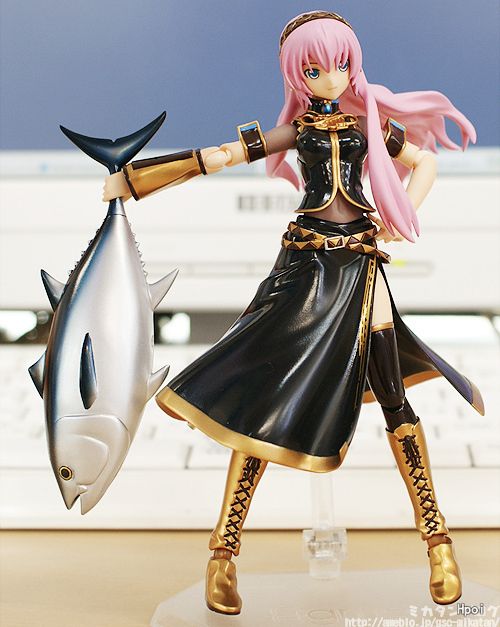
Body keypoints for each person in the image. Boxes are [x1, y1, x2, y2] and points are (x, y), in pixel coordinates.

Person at [103, 11, 483, 614]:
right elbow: (222, 155)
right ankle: (223, 554)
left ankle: (439, 545)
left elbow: (425, 163)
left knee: (394, 399)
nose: (330, 77)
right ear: (295, 74)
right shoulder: (297, 130)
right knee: (262, 396)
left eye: (340, 64)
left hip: (362, 267)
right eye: (313, 69)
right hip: (303, 268)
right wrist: (138, 179)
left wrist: (400, 216)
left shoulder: (367, 128)